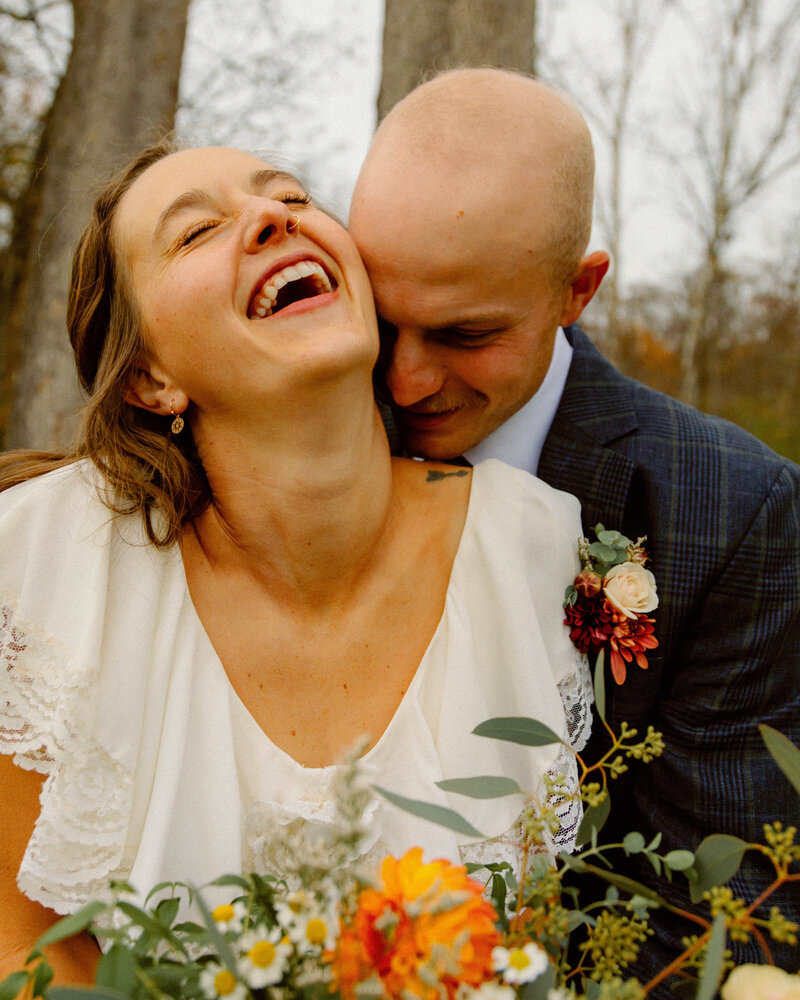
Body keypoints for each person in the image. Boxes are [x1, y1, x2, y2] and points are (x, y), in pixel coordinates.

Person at [0, 141, 592, 980]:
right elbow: (18, 949)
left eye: (294, 196)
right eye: (198, 231)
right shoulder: (44, 563)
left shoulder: (539, 551)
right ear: (149, 378)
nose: (273, 216)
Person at [348, 68, 800, 988]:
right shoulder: (294, 437)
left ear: (577, 289)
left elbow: (718, 913)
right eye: (383, 318)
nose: (402, 382)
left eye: (465, 335)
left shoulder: (733, 513)